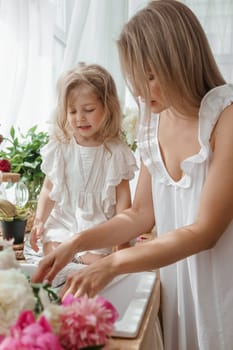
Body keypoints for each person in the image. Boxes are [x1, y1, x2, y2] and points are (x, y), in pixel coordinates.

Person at [32, 1, 233, 349]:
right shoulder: (155, 120)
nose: (140, 90)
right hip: (178, 285)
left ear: (180, 62)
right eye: (136, 78)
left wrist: (113, 263)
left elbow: (205, 232)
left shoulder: (225, 119)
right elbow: (140, 214)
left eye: (151, 76)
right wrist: (75, 243)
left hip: (222, 287)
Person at [29, 63, 138, 267]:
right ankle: (77, 256)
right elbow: (48, 188)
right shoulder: (61, 147)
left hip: (98, 225)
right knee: (51, 243)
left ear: (107, 107)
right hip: (66, 220)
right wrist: (39, 220)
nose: (80, 118)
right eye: (72, 111)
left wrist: (122, 237)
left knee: (101, 254)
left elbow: (124, 198)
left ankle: (80, 256)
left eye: (88, 110)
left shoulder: (115, 151)